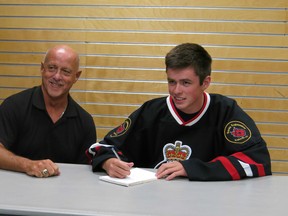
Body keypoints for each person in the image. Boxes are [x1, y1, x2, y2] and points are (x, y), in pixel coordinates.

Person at [87, 43, 271, 181]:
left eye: (186, 83)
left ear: (205, 82)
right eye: (171, 82)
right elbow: (101, 148)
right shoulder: (151, 111)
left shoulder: (226, 111)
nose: (176, 91)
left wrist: (192, 169)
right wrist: (108, 162)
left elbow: (257, 161)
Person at [0, 45, 96, 178]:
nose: (57, 76)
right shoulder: (13, 106)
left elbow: (85, 173)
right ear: (42, 68)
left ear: (76, 76)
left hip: (65, 196)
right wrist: (28, 165)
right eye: (52, 68)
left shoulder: (85, 122)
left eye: (66, 71)